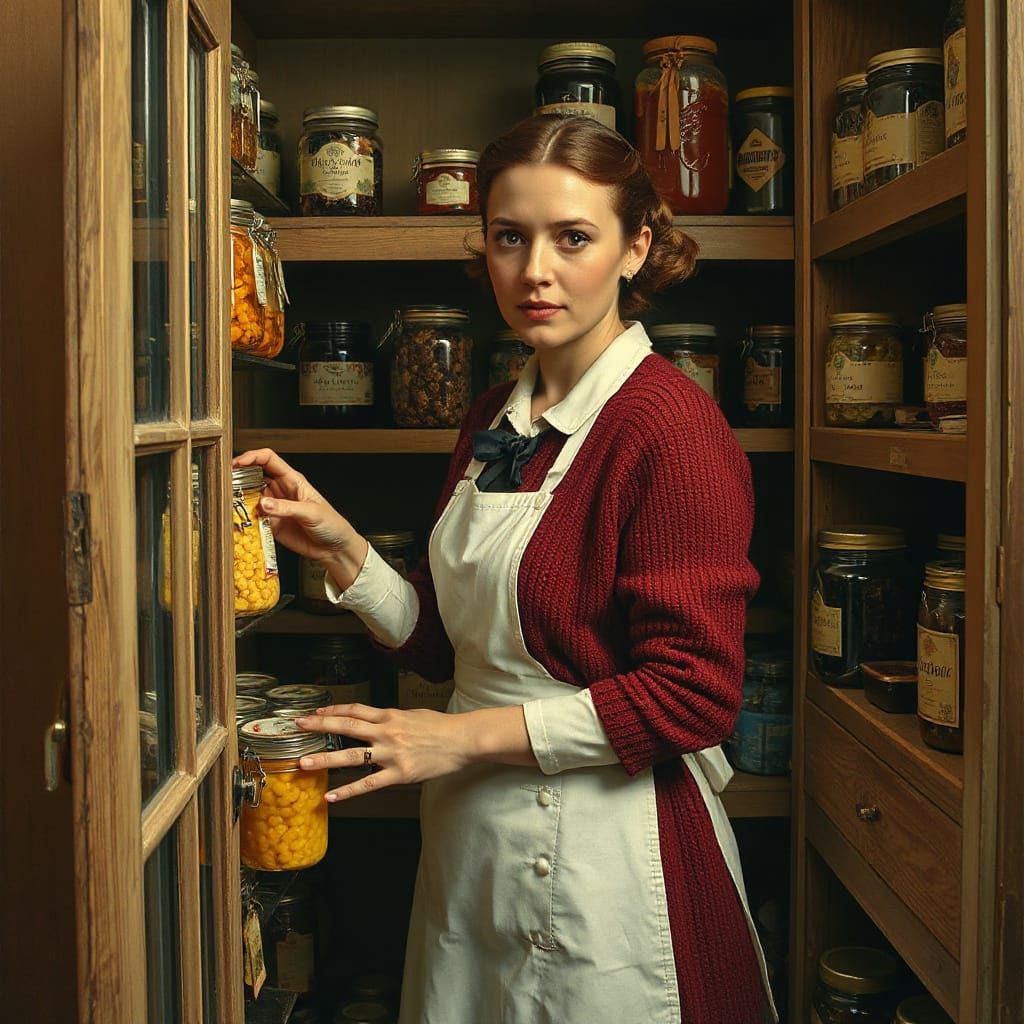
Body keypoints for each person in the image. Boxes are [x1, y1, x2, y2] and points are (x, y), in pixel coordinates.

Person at [235, 114, 775, 1024]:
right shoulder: (500, 413)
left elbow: (694, 696)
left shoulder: (671, 430)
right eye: (508, 237)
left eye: (574, 237)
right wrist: (341, 548)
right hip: (474, 838)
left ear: (635, 246)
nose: (535, 271)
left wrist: (451, 740)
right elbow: (455, 649)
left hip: (604, 859)